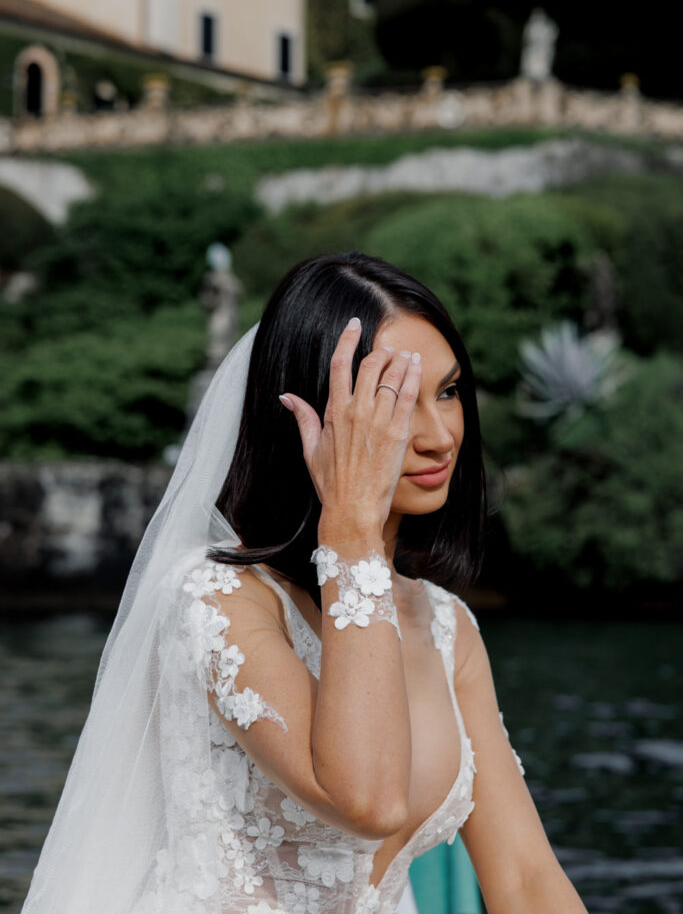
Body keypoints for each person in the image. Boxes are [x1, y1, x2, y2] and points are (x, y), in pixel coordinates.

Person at [21, 253, 588, 914]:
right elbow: (366, 797)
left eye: (448, 391)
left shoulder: (446, 628)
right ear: (308, 418)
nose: (440, 436)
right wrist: (349, 529)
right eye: (392, 403)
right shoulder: (215, 598)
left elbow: (524, 877)